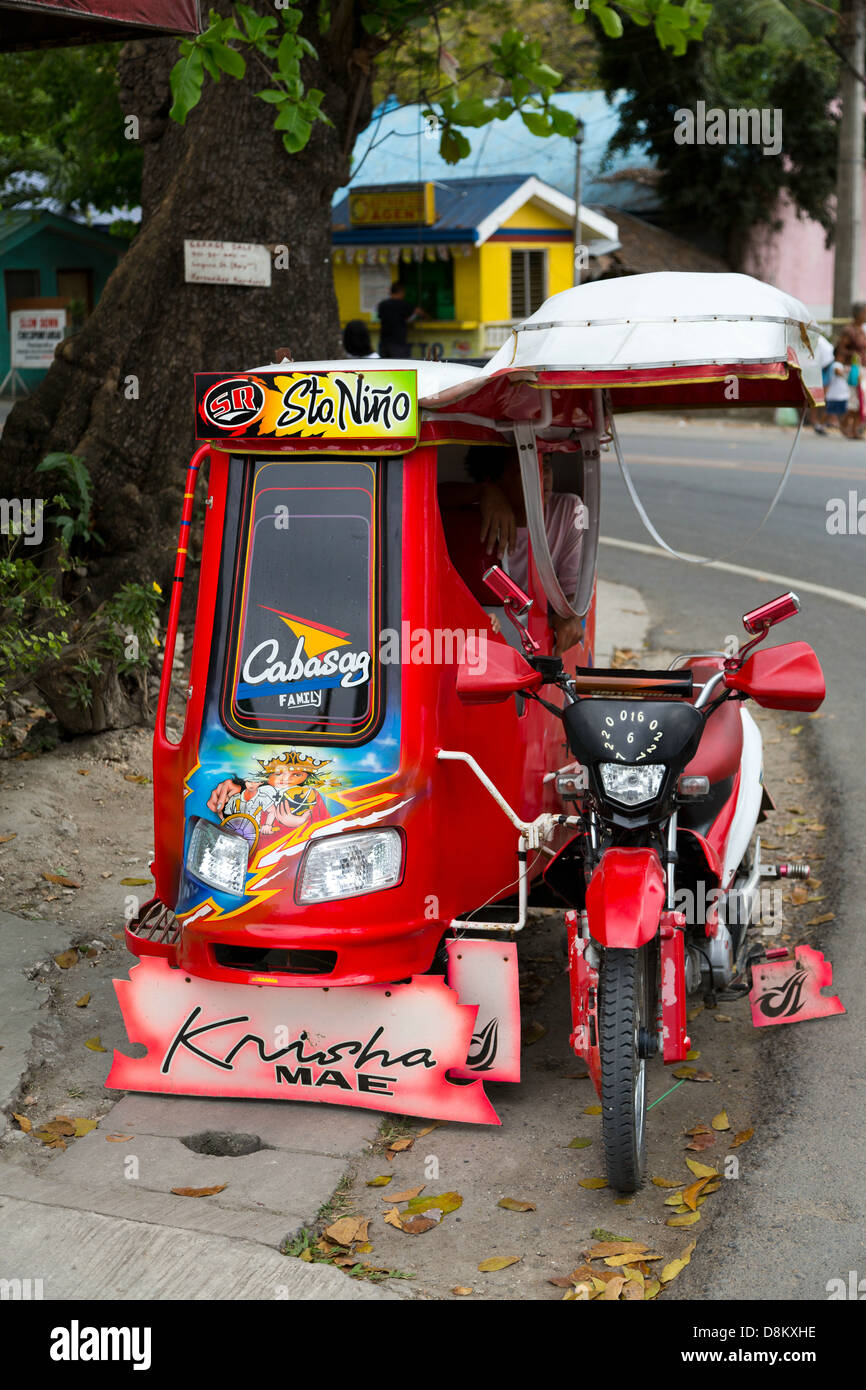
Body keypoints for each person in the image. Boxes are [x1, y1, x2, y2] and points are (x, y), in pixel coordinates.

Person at [441, 444, 586, 656]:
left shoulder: (570, 510)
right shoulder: (471, 517)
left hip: (537, 644)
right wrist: (482, 492)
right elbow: (428, 496)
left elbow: (574, 591)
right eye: (524, 470)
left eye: (545, 466)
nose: (541, 478)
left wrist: (568, 617)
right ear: (494, 480)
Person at [833, 303, 866, 439]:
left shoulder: (862, 330)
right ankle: (846, 424)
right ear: (857, 314)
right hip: (852, 369)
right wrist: (838, 366)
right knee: (855, 400)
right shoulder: (849, 330)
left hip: (863, 369)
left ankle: (855, 429)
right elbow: (840, 349)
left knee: (862, 400)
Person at [376, 282, 425, 358]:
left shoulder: (382, 305)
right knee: (400, 366)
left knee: (384, 367)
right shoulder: (403, 304)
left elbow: (380, 317)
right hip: (398, 343)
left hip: (384, 342)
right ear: (400, 292)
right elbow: (415, 315)